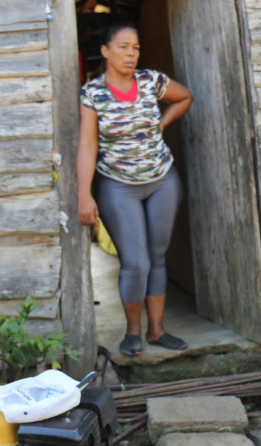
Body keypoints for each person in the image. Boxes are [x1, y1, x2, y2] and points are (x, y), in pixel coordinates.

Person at [77, 23, 193, 357]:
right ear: (105, 51)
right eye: (124, 47)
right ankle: (133, 332)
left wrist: (163, 122)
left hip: (162, 180)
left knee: (157, 257)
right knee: (135, 262)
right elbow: (87, 146)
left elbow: (185, 96)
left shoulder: (151, 81)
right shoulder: (93, 93)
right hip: (118, 185)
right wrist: (85, 193)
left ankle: (157, 331)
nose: (131, 54)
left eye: (136, 48)